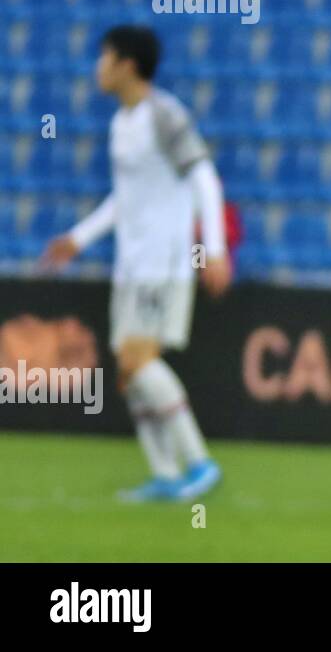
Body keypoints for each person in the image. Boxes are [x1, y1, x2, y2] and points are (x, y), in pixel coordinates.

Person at [43, 25, 230, 501]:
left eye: (104, 56)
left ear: (127, 64)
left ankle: (200, 462)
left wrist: (214, 248)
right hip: (131, 262)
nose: (97, 67)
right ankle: (166, 476)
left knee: (136, 360)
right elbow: (124, 200)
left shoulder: (164, 115)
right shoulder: (121, 124)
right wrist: (79, 238)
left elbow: (204, 178)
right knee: (129, 372)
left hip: (163, 260)